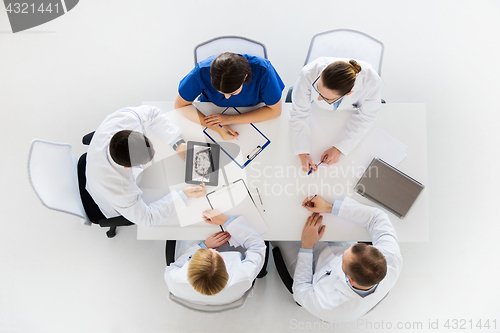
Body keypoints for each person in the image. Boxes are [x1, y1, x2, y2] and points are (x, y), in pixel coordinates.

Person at [272, 195, 402, 322]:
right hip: (335, 246)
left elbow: (300, 290)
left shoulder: (327, 306)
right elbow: (377, 217)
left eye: (343, 259)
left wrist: (307, 246)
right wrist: (329, 207)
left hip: (312, 268)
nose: (344, 252)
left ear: (350, 280)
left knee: (276, 227)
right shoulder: (391, 258)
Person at [86, 105, 206, 227]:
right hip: (106, 196)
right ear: (128, 167)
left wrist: (177, 143)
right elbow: (147, 219)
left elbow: (153, 113)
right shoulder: (120, 189)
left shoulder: (125, 120)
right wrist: (183, 195)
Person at [289, 57, 382, 173]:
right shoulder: (309, 73)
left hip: (345, 116)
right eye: (317, 90)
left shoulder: (372, 81)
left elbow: (366, 117)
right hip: (317, 114)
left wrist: (339, 148)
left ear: (348, 94)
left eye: (326, 98)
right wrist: (302, 153)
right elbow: (299, 112)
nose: (318, 98)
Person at [164, 209, 266, 305]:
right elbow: (258, 246)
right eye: (216, 253)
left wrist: (203, 246)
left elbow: (175, 265)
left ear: (190, 264)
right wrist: (225, 221)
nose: (212, 249)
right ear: (224, 263)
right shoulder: (244, 277)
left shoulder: (173, 279)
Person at [174, 52, 285, 140]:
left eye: (233, 93)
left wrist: (229, 119)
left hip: (254, 113)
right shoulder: (202, 71)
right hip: (210, 111)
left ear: (245, 77)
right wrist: (216, 127)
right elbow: (180, 105)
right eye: (221, 92)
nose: (227, 97)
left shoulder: (263, 70)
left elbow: (275, 111)